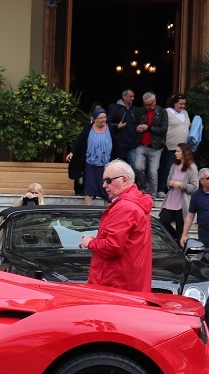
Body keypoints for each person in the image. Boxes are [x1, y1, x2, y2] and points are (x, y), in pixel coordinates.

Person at [77, 160, 153, 294]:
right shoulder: (134, 203)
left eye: (108, 180)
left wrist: (90, 242)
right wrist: (96, 240)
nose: (104, 185)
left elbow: (113, 246)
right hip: (128, 283)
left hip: (115, 286)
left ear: (124, 180)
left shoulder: (124, 207)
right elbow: (123, 242)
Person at [68, 107, 113, 206]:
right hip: (90, 163)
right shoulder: (88, 128)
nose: (103, 120)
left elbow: (117, 143)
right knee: (89, 186)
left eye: (104, 117)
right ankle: (87, 208)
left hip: (106, 165)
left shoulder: (110, 127)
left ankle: (106, 210)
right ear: (95, 119)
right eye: (100, 118)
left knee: (106, 187)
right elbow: (79, 141)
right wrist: (72, 152)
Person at [159, 143, 199, 241]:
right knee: (163, 221)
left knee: (180, 229)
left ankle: (179, 246)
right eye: (175, 151)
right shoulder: (174, 166)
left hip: (182, 203)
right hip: (170, 200)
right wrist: (170, 183)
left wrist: (181, 185)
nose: (175, 153)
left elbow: (195, 187)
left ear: (184, 153)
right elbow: (168, 181)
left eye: (178, 151)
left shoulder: (192, 168)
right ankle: (173, 239)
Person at [133, 92, 168, 198]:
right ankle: (144, 188)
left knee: (153, 172)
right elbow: (134, 123)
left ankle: (152, 197)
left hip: (155, 147)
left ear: (155, 101)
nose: (148, 107)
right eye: (146, 104)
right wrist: (137, 128)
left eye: (150, 104)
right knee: (138, 167)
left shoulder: (162, 112)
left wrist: (147, 127)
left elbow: (163, 130)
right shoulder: (140, 111)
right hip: (141, 144)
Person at [161, 93, 191, 196]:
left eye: (184, 104)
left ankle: (175, 189)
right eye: (180, 104)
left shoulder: (185, 113)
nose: (182, 106)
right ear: (174, 103)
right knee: (168, 167)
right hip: (170, 145)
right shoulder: (167, 112)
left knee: (181, 168)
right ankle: (162, 188)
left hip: (183, 147)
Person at [107, 89, 140, 167]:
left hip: (132, 145)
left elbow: (139, 122)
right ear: (124, 97)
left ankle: (132, 180)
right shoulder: (116, 108)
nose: (133, 98)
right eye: (130, 96)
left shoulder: (135, 110)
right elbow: (108, 123)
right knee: (121, 168)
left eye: (133, 96)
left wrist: (139, 127)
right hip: (120, 145)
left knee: (134, 167)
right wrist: (117, 126)